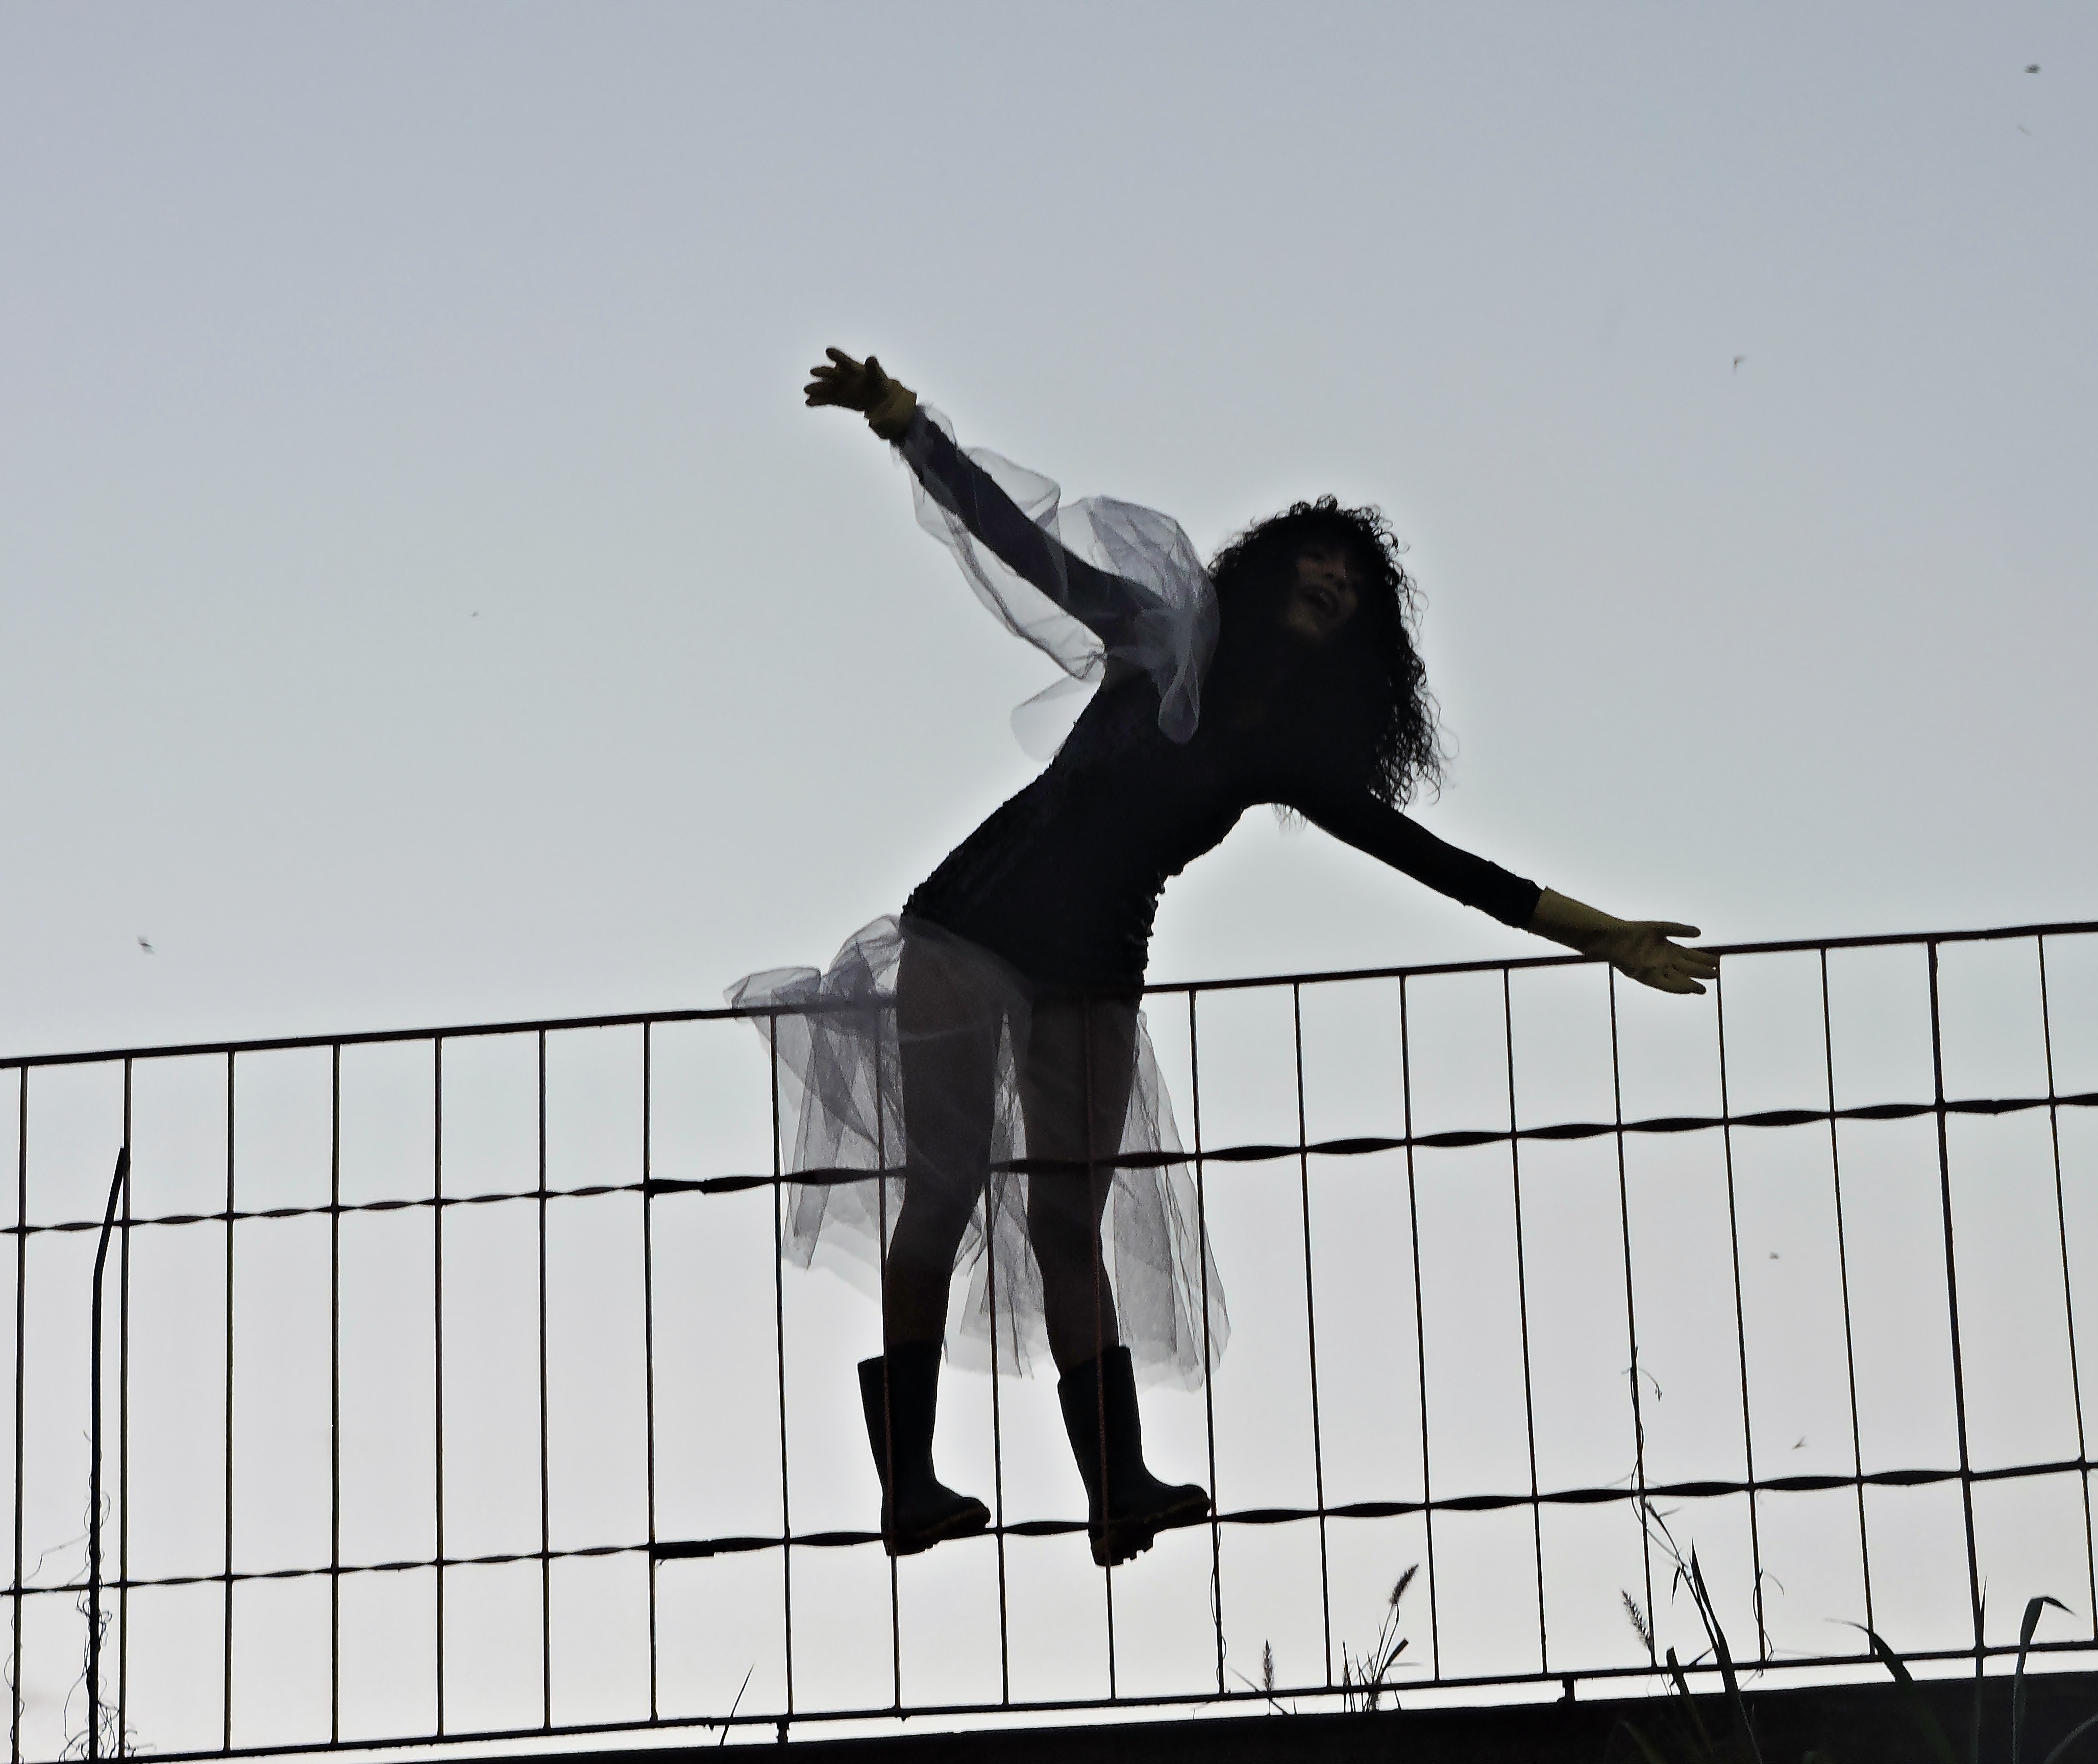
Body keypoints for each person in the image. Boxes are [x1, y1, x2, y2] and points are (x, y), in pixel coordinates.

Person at [733, 349, 1718, 1569]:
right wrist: (906, 425)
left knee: (1067, 1223)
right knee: (944, 1188)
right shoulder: (1157, 639)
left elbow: (1436, 862)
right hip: (976, 922)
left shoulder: (1287, 749)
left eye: (1349, 586)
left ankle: (1117, 1489)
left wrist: (1604, 935)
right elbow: (1026, 549)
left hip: (1095, 968)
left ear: (1359, 638)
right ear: (1261, 574)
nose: (1329, 583)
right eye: (1313, 564)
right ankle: (910, 1485)